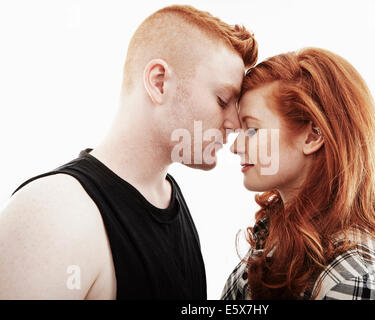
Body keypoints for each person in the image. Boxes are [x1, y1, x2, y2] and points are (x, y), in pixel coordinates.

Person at [0, 5, 257, 299]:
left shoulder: (171, 199)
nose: (235, 124)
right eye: (223, 100)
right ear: (159, 82)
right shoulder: (52, 214)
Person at [222, 47, 375, 300]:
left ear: (313, 135)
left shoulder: (355, 281)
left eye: (252, 130)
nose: (236, 146)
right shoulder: (274, 241)